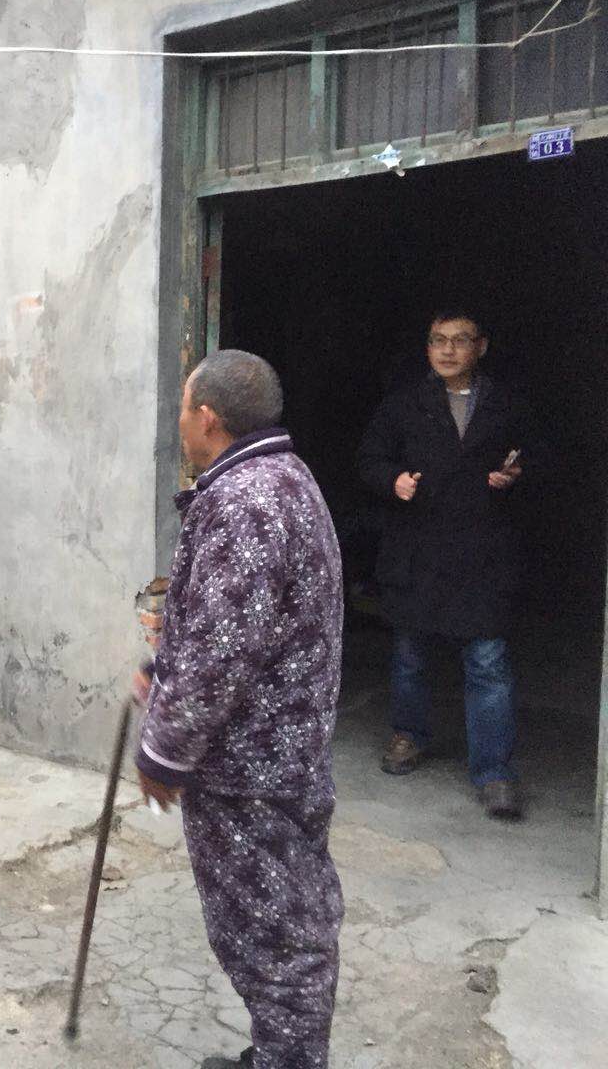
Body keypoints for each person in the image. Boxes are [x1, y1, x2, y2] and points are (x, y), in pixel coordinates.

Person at [135, 351, 344, 1069]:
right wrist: (162, 665)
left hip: (252, 767)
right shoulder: (282, 477)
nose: (179, 423)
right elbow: (232, 622)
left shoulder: (246, 501)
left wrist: (163, 751)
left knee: (271, 934)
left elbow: (221, 655)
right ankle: (281, 1053)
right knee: (286, 919)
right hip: (280, 754)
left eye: (182, 408)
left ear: (207, 418)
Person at [356, 308, 529, 819]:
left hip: (483, 551)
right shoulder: (404, 404)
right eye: (438, 340)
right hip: (419, 549)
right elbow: (369, 459)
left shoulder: (506, 404)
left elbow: (542, 457)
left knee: (488, 660)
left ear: (482, 346)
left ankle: (494, 771)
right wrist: (393, 481)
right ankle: (409, 734)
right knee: (411, 652)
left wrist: (516, 474)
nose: (448, 350)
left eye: (460, 340)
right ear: (427, 347)